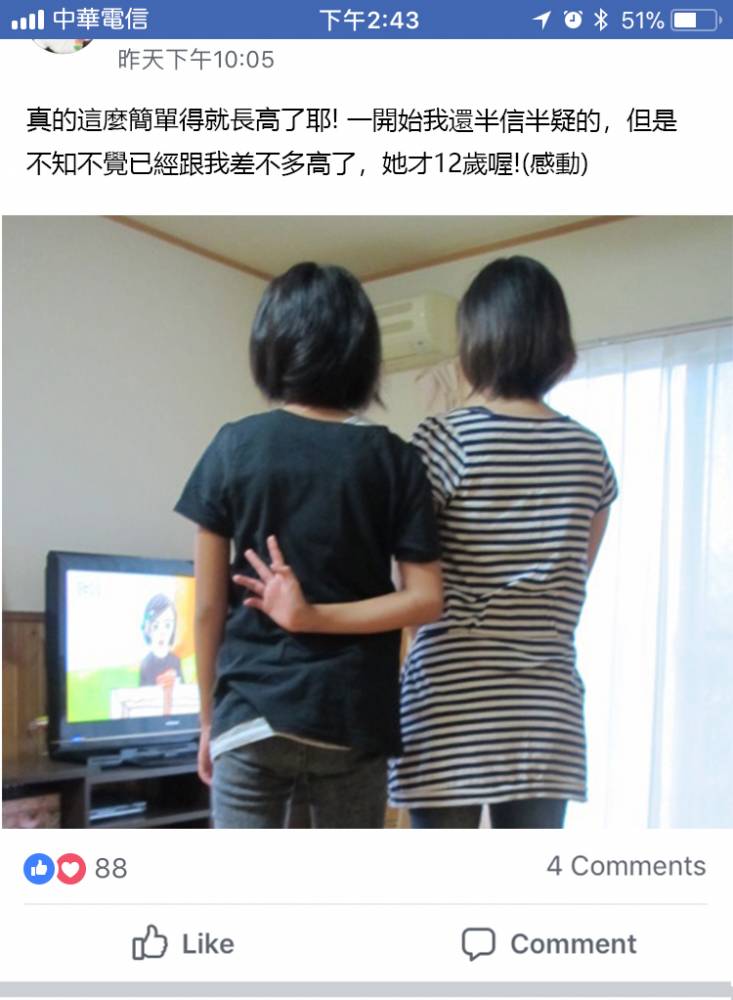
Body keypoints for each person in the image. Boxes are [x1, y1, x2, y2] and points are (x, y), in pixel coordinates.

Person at [174, 262, 442, 829]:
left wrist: (208, 723)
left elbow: (206, 608)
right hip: (352, 719)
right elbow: (424, 599)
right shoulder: (394, 459)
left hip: (249, 715)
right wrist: (319, 617)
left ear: (270, 347)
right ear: (361, 353)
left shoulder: (234, 446)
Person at [388, 255, 619, 828]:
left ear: (476, 342)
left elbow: (408, 586)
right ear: (556, 343)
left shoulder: (442, 439)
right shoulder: (589, 453)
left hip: (448, 701)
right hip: (544, 710)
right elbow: (576, 571)